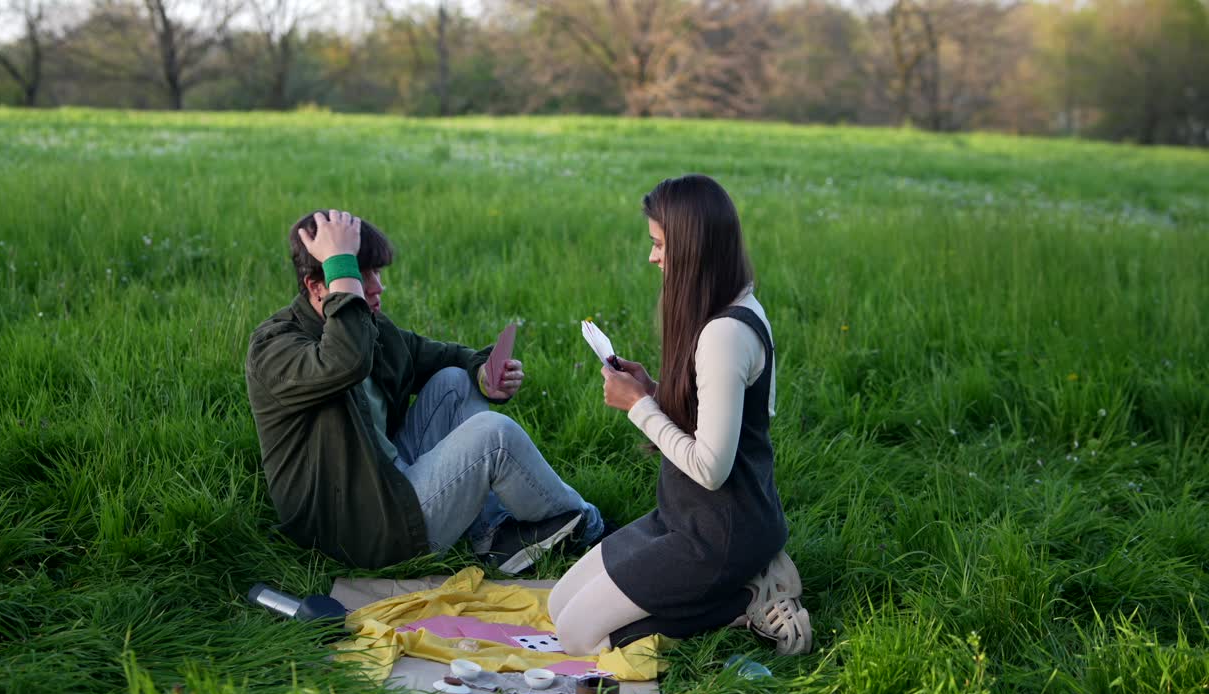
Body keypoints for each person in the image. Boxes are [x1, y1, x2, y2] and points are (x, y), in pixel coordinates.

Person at [245, 209, 605, 573]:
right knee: (496, 437)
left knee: (454, 381)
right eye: (358, 273)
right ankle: (593, 528)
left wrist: (483, 373)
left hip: (386, 482)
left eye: (376, 272)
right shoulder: (275, 348)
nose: (376, 287)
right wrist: (340, 264)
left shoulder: (370, 327)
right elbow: (346, 361)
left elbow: (441, 356)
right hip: (356, 531)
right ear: (316, 287)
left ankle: (492, 535)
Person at [549, 175, 812, 656]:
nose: (653, 256)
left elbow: (711, 468)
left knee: (578, 637)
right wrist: (654, 389)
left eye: (660, 244)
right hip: (681, 516)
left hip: (720, 533)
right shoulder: (726, 306)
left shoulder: (725, 334)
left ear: (694, 248)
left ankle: (748, 598)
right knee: (558, 606)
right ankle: (739, 585)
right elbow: (714, 414)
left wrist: (640, 407)